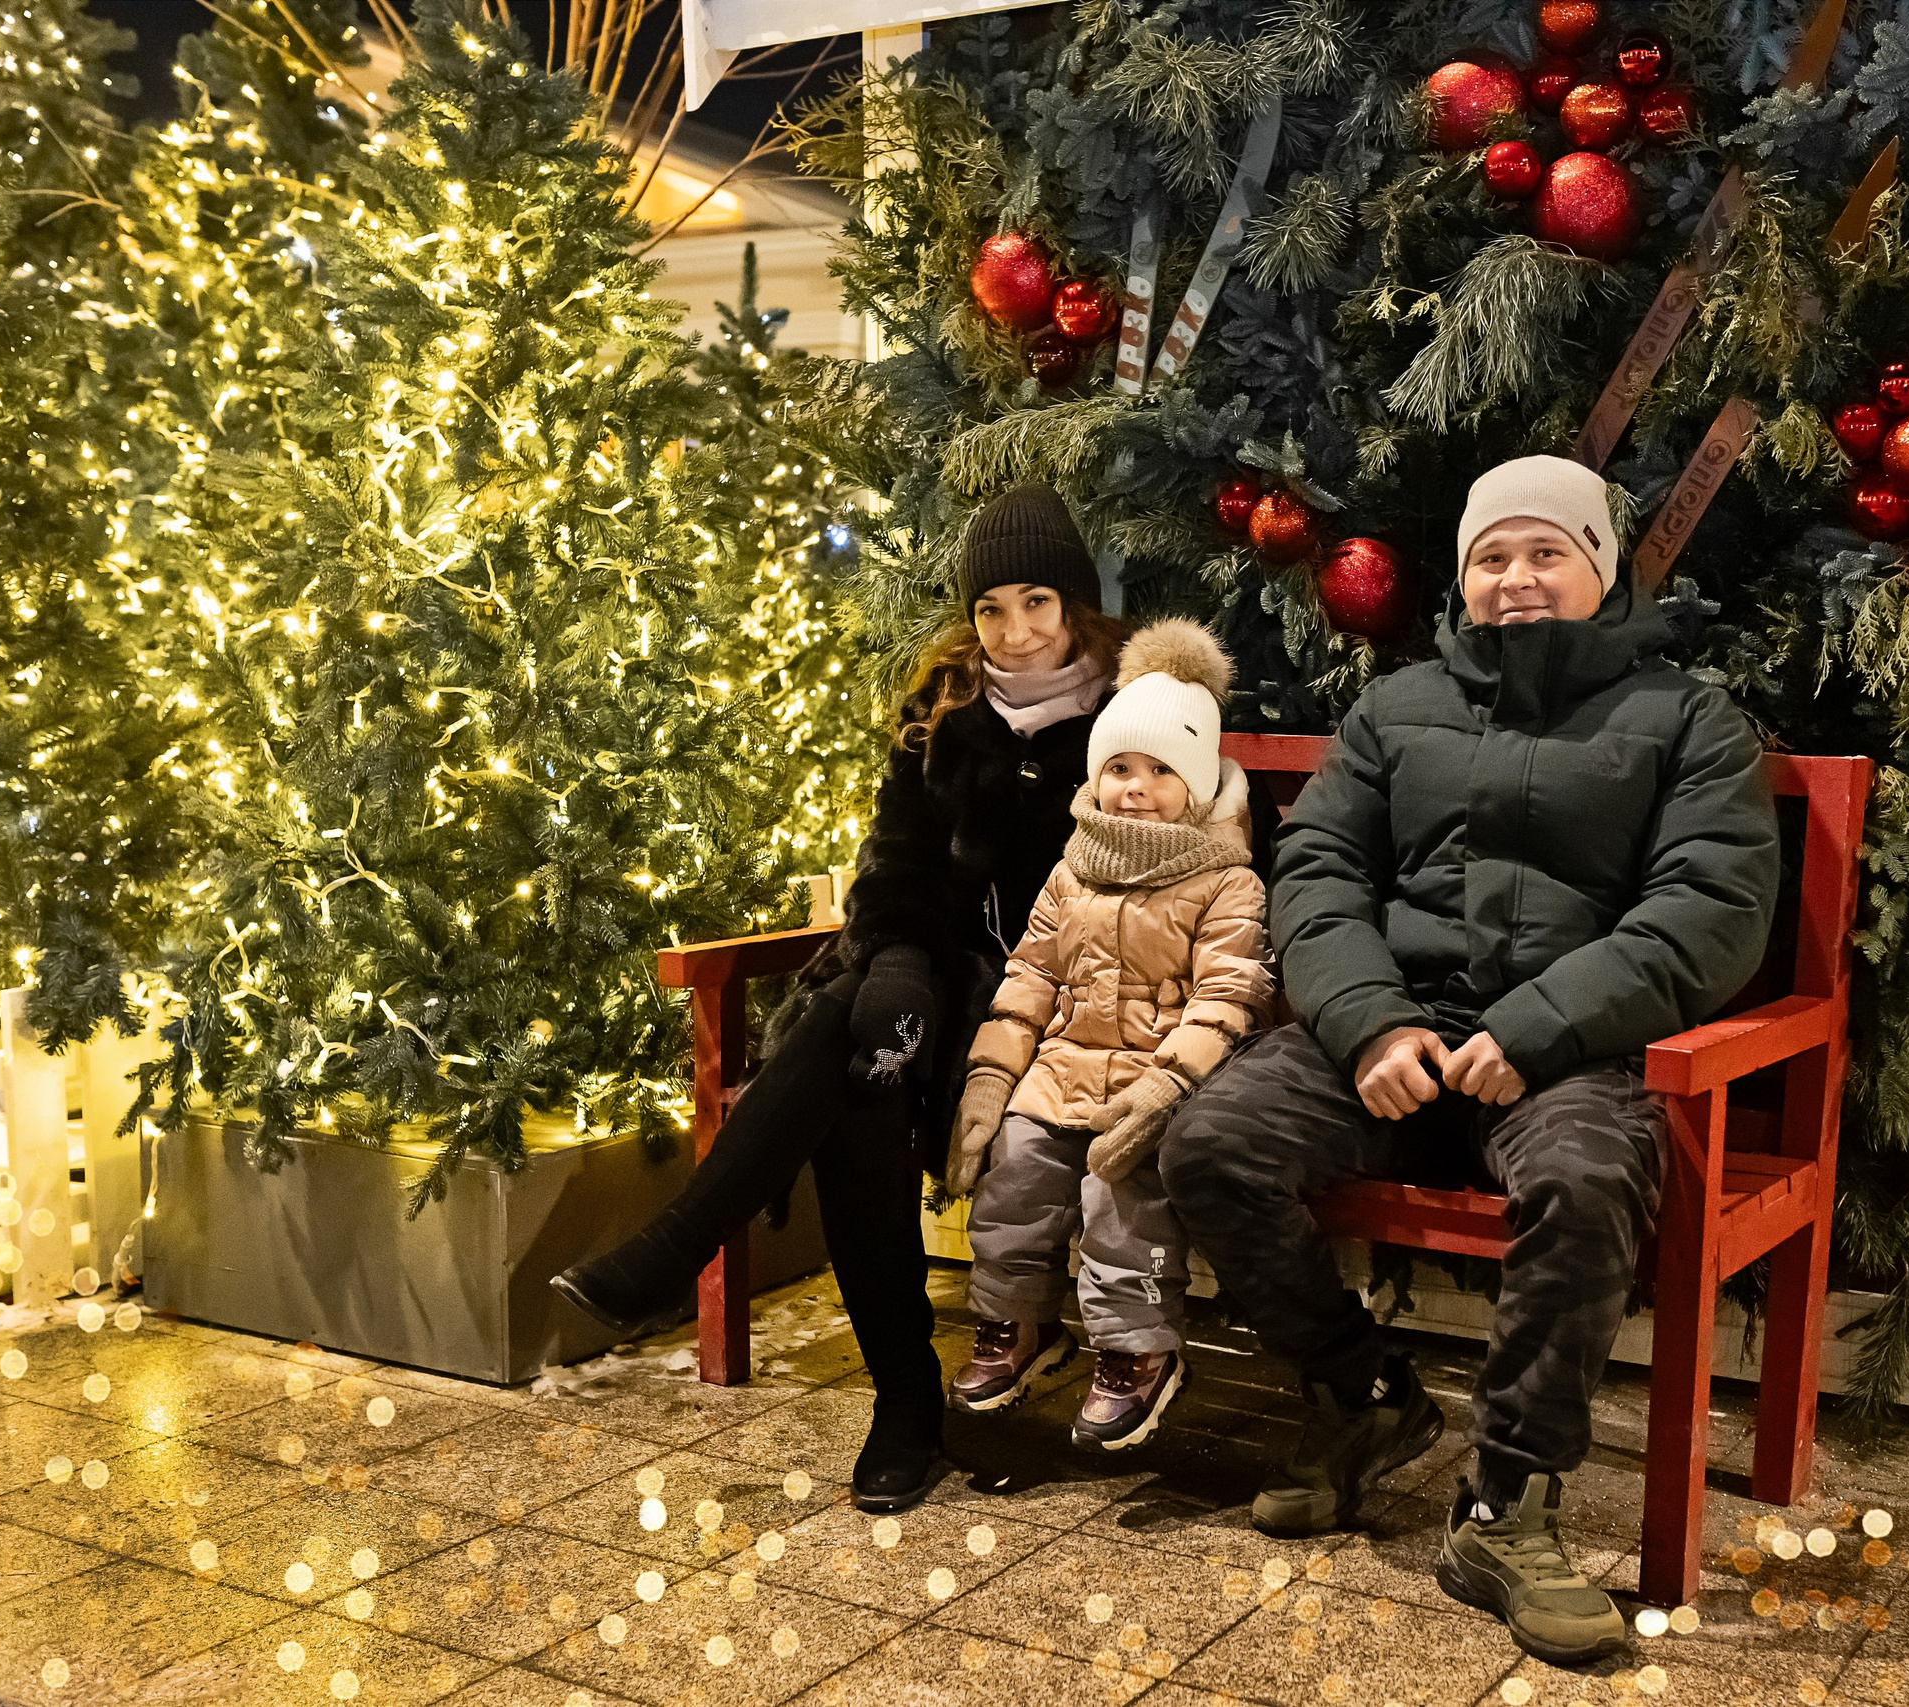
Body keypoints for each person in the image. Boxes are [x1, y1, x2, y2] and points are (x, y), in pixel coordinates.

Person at [1160, 455, 1780, 1665]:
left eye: (1546, 551)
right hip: (1390, 1031)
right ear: (1462, 576)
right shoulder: (1395, 711)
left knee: (1589, 1183)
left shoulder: (1686, 721)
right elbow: (1322, 875)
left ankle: (1503, 1501)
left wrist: (1538, 1026)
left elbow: (1707, 909)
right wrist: (1371, 1023)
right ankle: (1359, 1396)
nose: (1516, 577)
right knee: (1211, 1145)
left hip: (1571, 1053)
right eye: (1491, 556)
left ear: (1600, 570)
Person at [551, 482, 1124, 1514]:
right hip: (944, 981)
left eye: (1036, 602)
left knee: (851, 1057)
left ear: (1075, 604)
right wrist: (902, 965)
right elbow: (895, 869)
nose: (1014, 631)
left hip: (1069, 1010)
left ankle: (683, 1250)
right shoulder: (942, 715)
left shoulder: (1134, 718)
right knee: (858, 1069)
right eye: (991, 609)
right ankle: (905, 1403)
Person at [938, 620, 1272, 1452]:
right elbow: (1031, 979)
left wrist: (1170, 1083)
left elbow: (1231, 994)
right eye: (1120, 766)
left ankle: (1137, 1348)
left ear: (1195, 785)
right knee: (1013, 1168)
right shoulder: (1072, 868)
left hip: (1152, 1079)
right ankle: (1015, 1325)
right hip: (1060, 1070)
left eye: (1161, 771)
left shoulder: (1224, 880)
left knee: (1118, 1189)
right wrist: (991, 1076)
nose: (1134, 787)